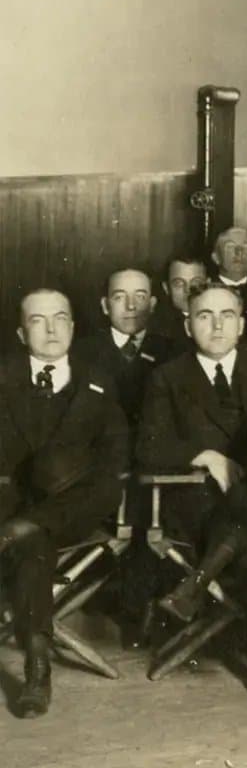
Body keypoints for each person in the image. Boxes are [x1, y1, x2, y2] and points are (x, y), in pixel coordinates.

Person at [137, 283, 247, 707]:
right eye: (205, 315)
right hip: (199, 506)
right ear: (188, 325)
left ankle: (196, 583)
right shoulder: (166, 378)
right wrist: (203, 454)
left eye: (227, 314)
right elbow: (148, 449)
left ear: (243, 324)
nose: (218, 324)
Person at [0, 289, 130, 718]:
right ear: (22, 333)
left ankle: (23, 528)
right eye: (39, 321)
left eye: (61, 318)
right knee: (32, 544)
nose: (52, 329)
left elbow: (116, 458)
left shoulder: (98, 380)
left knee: (98, 490)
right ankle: (38, 668)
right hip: (12, 510)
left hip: (77, 509)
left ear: (74, 326)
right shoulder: (2, 378)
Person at [71, 267, 175, 426]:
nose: (131, 306)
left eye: (140, 296)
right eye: (119, 297)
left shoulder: (172, 353)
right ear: (106, 306)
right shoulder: (80, 353)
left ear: (152, 304)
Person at [154, 256, 208, 348]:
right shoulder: (155, 330)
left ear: (208, 284)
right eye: (179, 284)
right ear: (166, 288)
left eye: (196, 283)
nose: (188, 290)